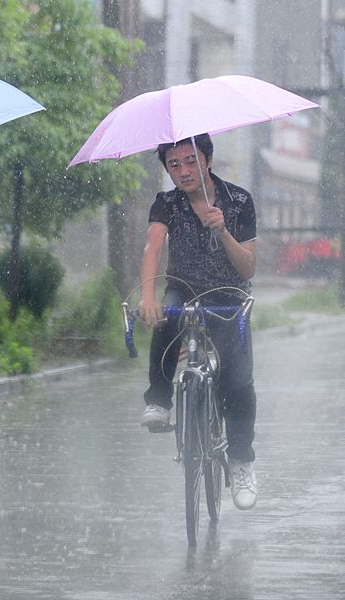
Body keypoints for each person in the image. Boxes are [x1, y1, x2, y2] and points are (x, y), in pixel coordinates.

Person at [137, 133, 259, 511]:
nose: (183, 171)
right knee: (167, 318)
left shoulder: (238, 201)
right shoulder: (167, 203)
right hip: (183, 290)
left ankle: (241, 461)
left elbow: (248, 266)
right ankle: (159, 399)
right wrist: (147, 295)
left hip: (228, 295)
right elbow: (154, 246)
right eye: (174, 165)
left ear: (207, 159)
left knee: (237, 381)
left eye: (191, 160)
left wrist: (222, 229)